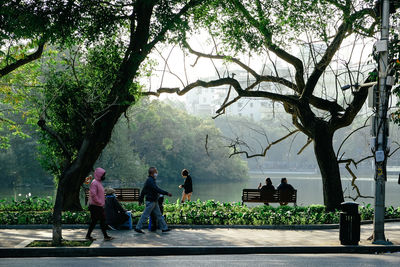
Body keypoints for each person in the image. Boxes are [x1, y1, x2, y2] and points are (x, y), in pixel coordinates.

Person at [135, 167, 172, 234]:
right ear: (152, 173)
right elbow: (156, 189)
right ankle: (138, 227)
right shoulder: (150, 180)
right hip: (151, 201)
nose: (156, 173)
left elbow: (144, 190)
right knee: (145, 215)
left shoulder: (151, 180)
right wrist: (166, 193)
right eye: (155, 172)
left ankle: (164, 228)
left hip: (154, 201)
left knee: (159, 215)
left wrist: (141, 199)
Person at [86, 168, 114, 241]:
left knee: (99, 221)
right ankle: (104, 236)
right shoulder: (94, 183)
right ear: (99, 175)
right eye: (103, 175)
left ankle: (104, 236)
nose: (104, 176)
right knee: (98, 221)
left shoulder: (98, 182)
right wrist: (99, 202)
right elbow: (93, 194)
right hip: (95, 206)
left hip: (98, 206)